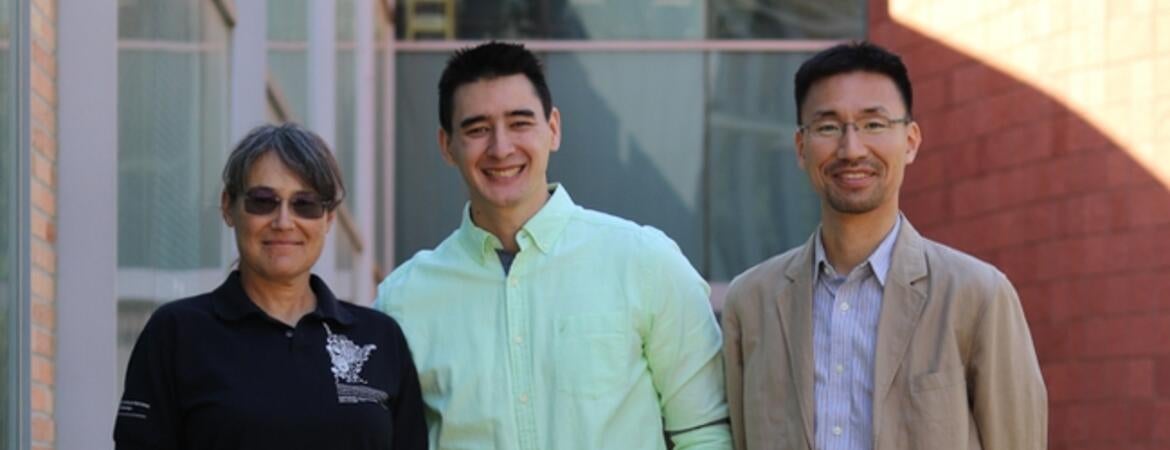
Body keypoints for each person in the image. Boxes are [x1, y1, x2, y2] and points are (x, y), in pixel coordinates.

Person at [375, 41, 731, 449]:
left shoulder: (645, 262)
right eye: (477, 129)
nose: (501, 148)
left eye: (520, 123)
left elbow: (705, 434)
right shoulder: (402, 301)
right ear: (446, 146)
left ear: (554, 129)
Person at [720, 41, 1047, 450]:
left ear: (910, 141)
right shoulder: (751, 303)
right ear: (801, 148)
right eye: (828, 127)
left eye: (873, 124)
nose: (852, 149)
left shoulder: (977, 295)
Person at [114, 123, 427, 449]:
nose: (283, 222)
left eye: (304, 204)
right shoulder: (176, 334)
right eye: (263, 201)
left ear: (328, 219)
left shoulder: (380, 338)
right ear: (228, 206)